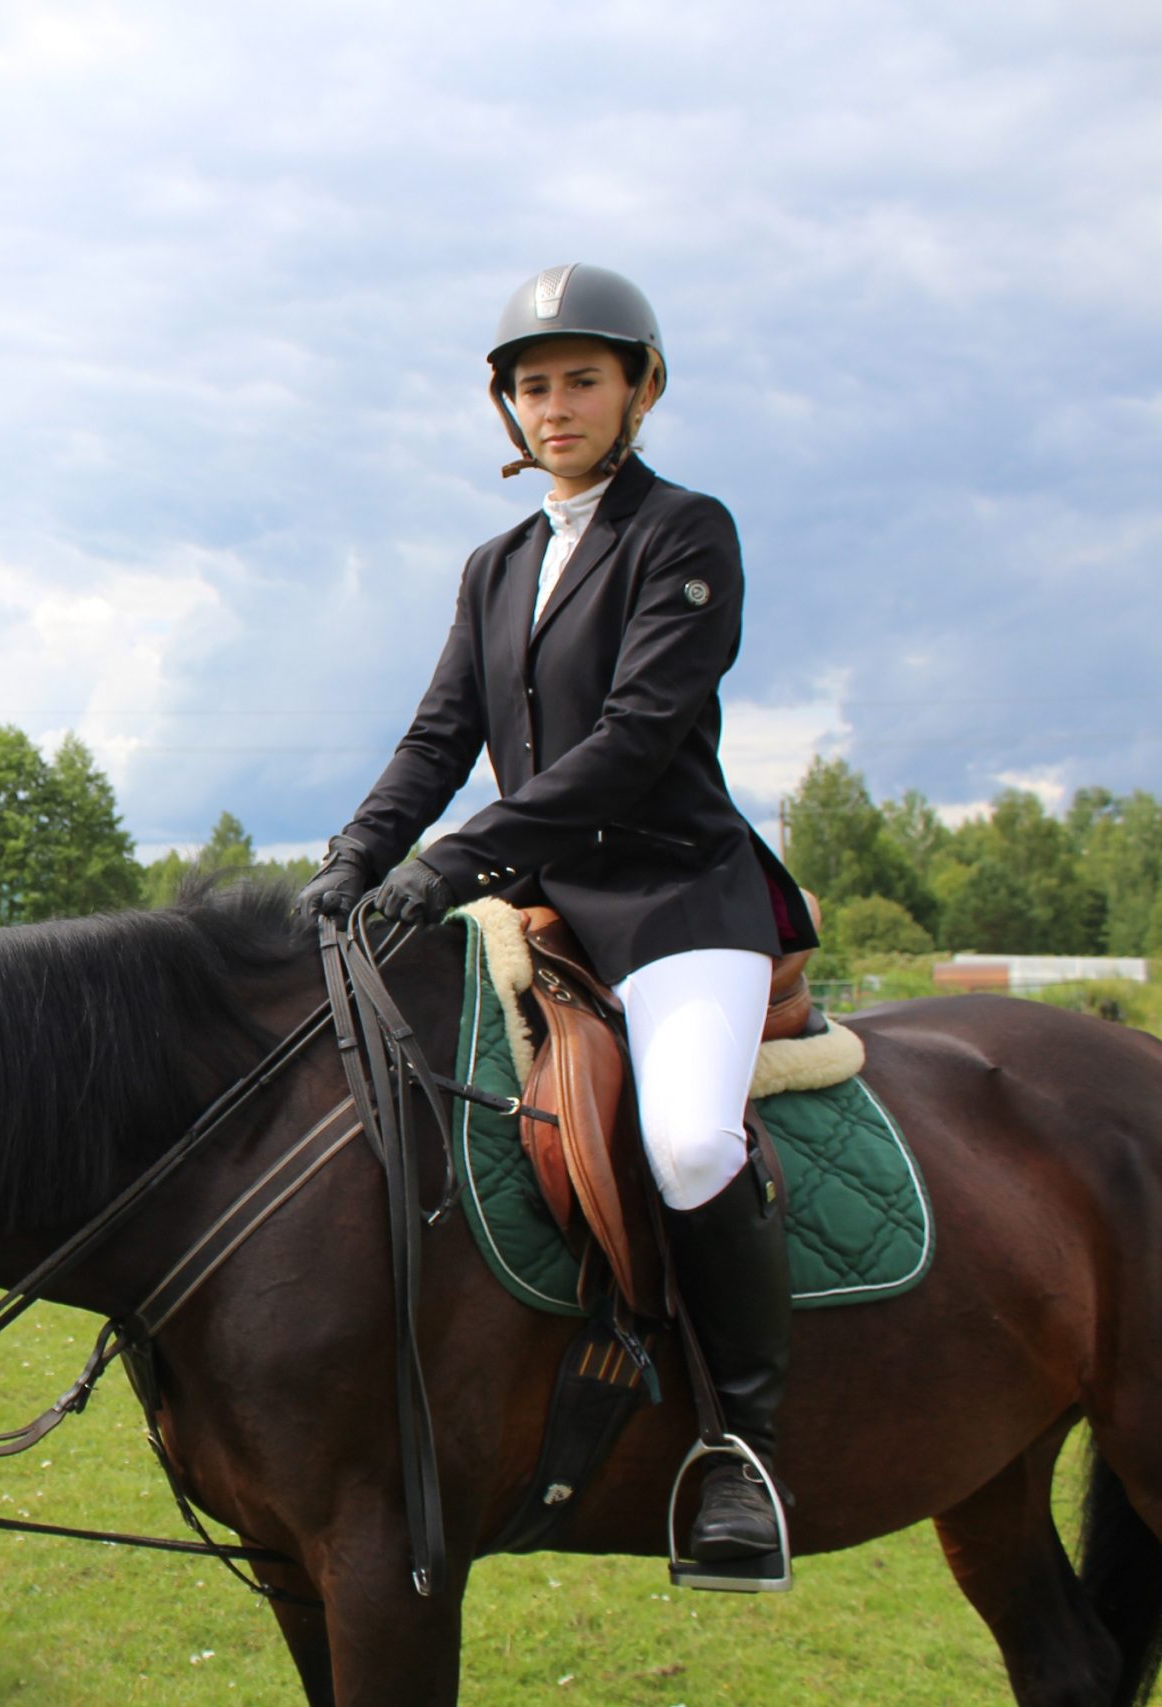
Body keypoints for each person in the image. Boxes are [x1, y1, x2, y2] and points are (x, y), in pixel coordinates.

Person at [295, 265, 817, 1569]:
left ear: (641, 388)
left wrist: (459, 858)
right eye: (532, 384)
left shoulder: (686, 531)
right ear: (507, 408)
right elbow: (441, 733)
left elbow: (638, 739)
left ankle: (741, 1445)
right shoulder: (497, 565)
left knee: (691, 1138)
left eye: (583, 377)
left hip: (677, 896)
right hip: (541, 903)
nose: (556, 403)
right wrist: (358, 855)